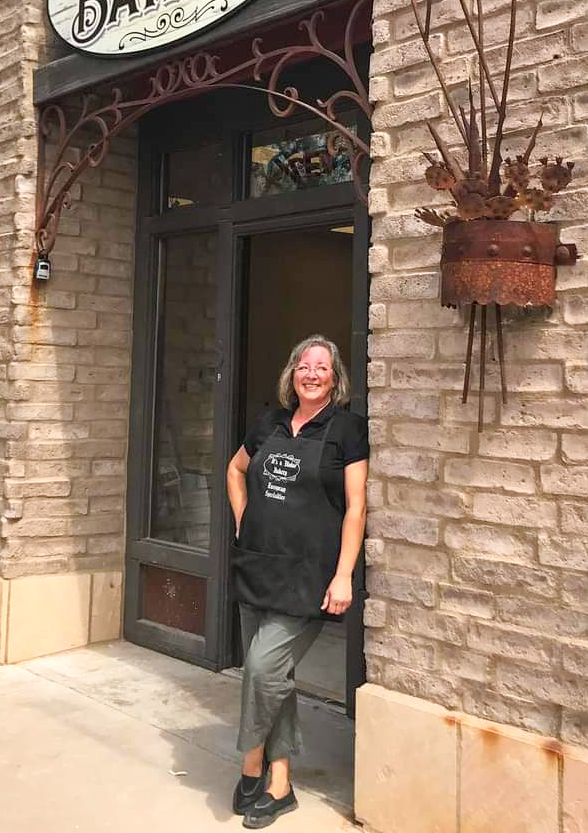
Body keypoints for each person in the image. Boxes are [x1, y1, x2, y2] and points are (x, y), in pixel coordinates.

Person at [225, 334, 369, 828]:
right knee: (274, 677)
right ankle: (280, 781)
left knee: (262, 669)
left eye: (321, 367)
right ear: (292, 373)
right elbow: (234, 470)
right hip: (257, 567)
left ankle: (250, 763)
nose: (311, 373)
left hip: (308, 576)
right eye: (304, 365)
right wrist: (243, 520)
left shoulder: (348, 430)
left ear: (334, 379)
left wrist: (344, 574)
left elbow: (356, 509)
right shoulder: (269, 422)